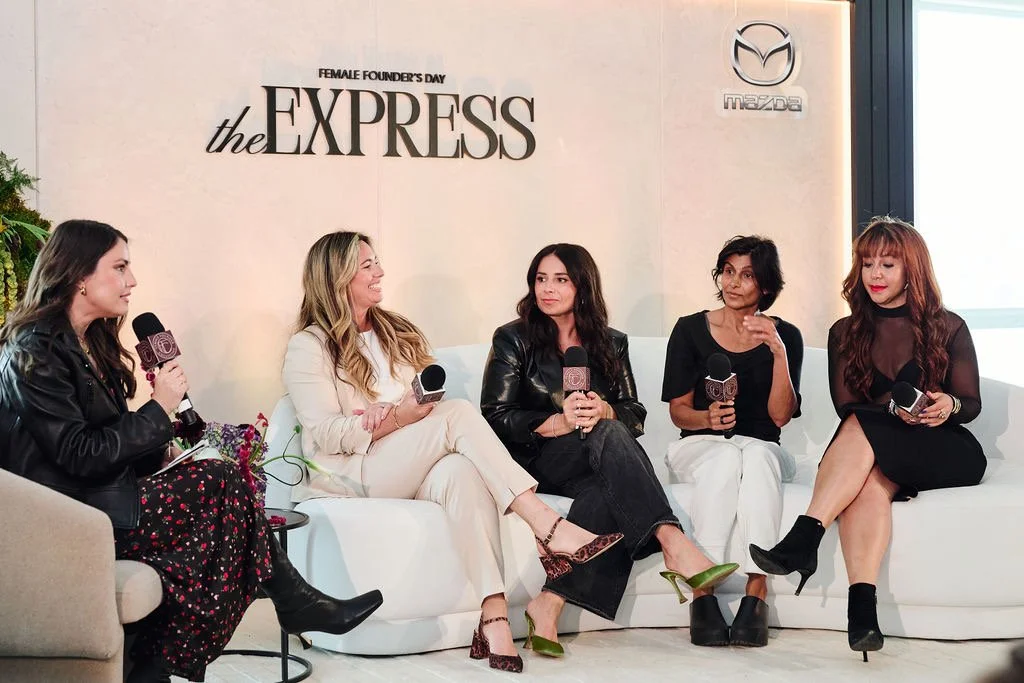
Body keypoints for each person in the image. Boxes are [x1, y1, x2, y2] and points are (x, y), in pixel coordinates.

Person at [0, 220, 383, 683]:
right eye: (119, 267)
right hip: (68, 518)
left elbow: (112, 446)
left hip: (103, 499)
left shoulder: (91, 343)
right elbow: (79, 454)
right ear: (80, 274)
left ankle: (166, 662)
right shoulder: (34, 349)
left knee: (218, 501)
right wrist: (159, 408)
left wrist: (167, 438)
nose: (132, 281)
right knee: (223, 486)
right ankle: (286, 603)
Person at [281, 231, 624, 674]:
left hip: (408, 460)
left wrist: (406, 411)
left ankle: (495, 616)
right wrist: (394, 417)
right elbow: (326, 434)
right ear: (337, 276)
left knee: (462, 470)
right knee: (459, 413)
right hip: (355, 471)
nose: (380, 271)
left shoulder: (395, 332)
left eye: (376, 262)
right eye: (367, 265)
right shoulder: (308, 346)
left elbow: (421, 403)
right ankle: (546, 524)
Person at [480, 243, 738, 657]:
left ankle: (548, 604)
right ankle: (673, 543)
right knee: (610, 437)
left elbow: (634, 413)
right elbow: (494, 415)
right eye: (541, 279)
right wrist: (558, 422)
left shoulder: (611, 342)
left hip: (592, 460)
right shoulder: (514, 338)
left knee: (607, 478)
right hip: (536, 458)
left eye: (560, 279)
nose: (548, 289)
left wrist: (605, 409)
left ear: (582, 286)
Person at [750, 217, 986, 660]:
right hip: (880, 447)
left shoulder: (948, 326)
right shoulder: (846, 331)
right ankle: (863, 611)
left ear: (911, 270)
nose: (875, 274)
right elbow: (846, 404)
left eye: (888, 264)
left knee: (862, 432)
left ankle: (804, 537)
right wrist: (896, 412)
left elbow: (971, 404)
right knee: (870, 477)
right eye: (867, 263)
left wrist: (945, 406)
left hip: (944, 448)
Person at [661, 235, 803, 647]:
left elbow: (780, 416)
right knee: (725, 459)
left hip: (763, 446)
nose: (734, 283)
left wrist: (778, 352)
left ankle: (755, 592)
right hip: (701, 446)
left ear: (766, 286)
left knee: (755, 456)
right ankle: (701, 593)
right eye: (728, 272)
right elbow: (677, 411)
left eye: (747, 275)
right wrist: (707, 417)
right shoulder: (689, 330)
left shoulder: (787, 336)